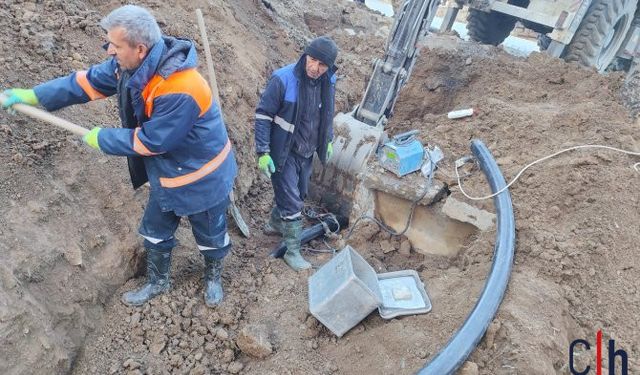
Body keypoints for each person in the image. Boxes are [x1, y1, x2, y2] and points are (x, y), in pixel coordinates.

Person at [2, 5, 237, 307]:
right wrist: (35, 95)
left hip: (203, 176)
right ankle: (158, 282)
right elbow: (85, 84)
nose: (109, 51)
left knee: (211, 236)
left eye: (115, 45)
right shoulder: (130, 66)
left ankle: (213, 277)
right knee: (154, 231)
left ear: (140, 48)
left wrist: (103, 138)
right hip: (168, 173)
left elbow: (153, 141)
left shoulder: (181, 87)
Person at [254, 36, 338, 271]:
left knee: (299, 193)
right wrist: (263, 151)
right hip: (284, 151)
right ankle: (292, 251)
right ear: (305, 55)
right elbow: (263, 116)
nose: (314, 68)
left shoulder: (328, 82)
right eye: (312, 60)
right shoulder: (283, 79)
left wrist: (327, 140)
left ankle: (274, 223)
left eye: (322, 65)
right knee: (292, 203)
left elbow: (327, 113)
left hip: (307, 151)